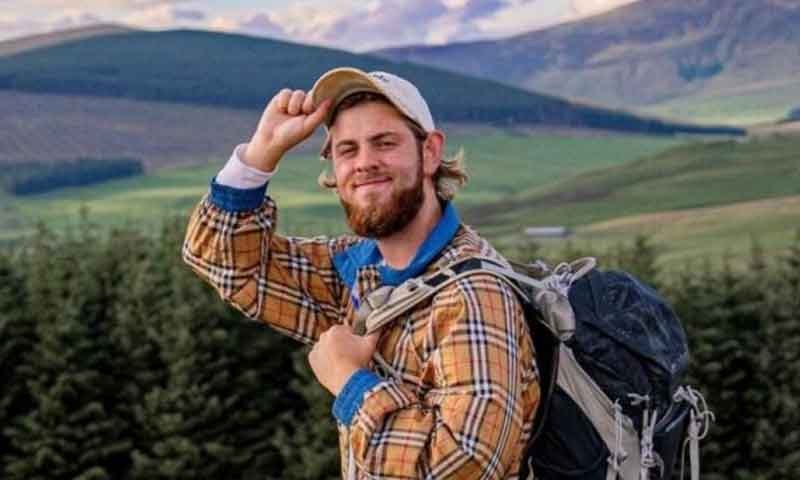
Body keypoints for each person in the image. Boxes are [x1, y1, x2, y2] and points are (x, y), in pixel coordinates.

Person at [182, 67, 540, 479]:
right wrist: (261, 154)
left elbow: (467, 462)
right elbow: (222, 260)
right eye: (347, 150)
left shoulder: (472, 294)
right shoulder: (355, 273)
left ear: (429, 152)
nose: (365, 163)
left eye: (384, 143)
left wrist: (351, 384)